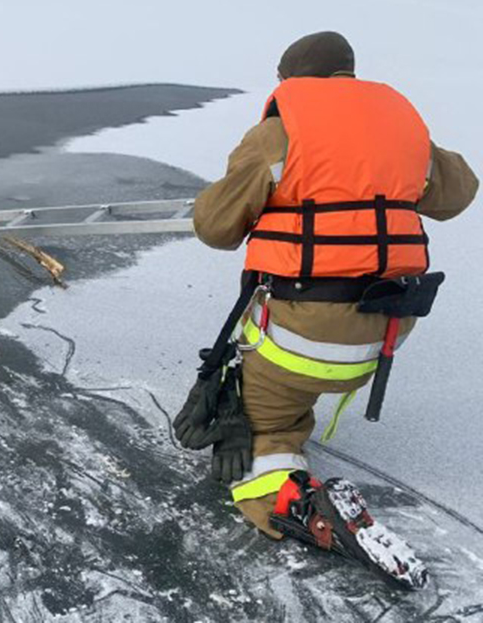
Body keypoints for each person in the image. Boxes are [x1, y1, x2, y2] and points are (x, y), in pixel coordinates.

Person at [180, 31, 477, 587]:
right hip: (385, 334)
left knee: (257, 428)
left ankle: (296, 504)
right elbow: (458, 193)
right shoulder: (402, 125)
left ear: (290, 81)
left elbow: (214, 226)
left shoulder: (279, 130)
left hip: (304, 336)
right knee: (300, 362)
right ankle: (299, 402)